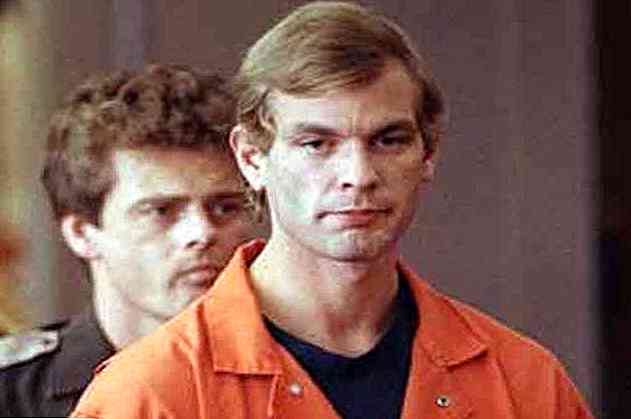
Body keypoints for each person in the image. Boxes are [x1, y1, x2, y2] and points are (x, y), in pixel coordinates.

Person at [71, 3, 594, 418]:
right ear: (251, 158)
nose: (358, 175)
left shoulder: (523, 382)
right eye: (316, 144)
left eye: (388, 140)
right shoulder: (150, 396)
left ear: (428, 153)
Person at [0, 64, 254, 417]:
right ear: (81, 233)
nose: (202, 233)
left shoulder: (302, 374)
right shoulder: (12, 395)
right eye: (160, 211)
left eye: (225, 207)